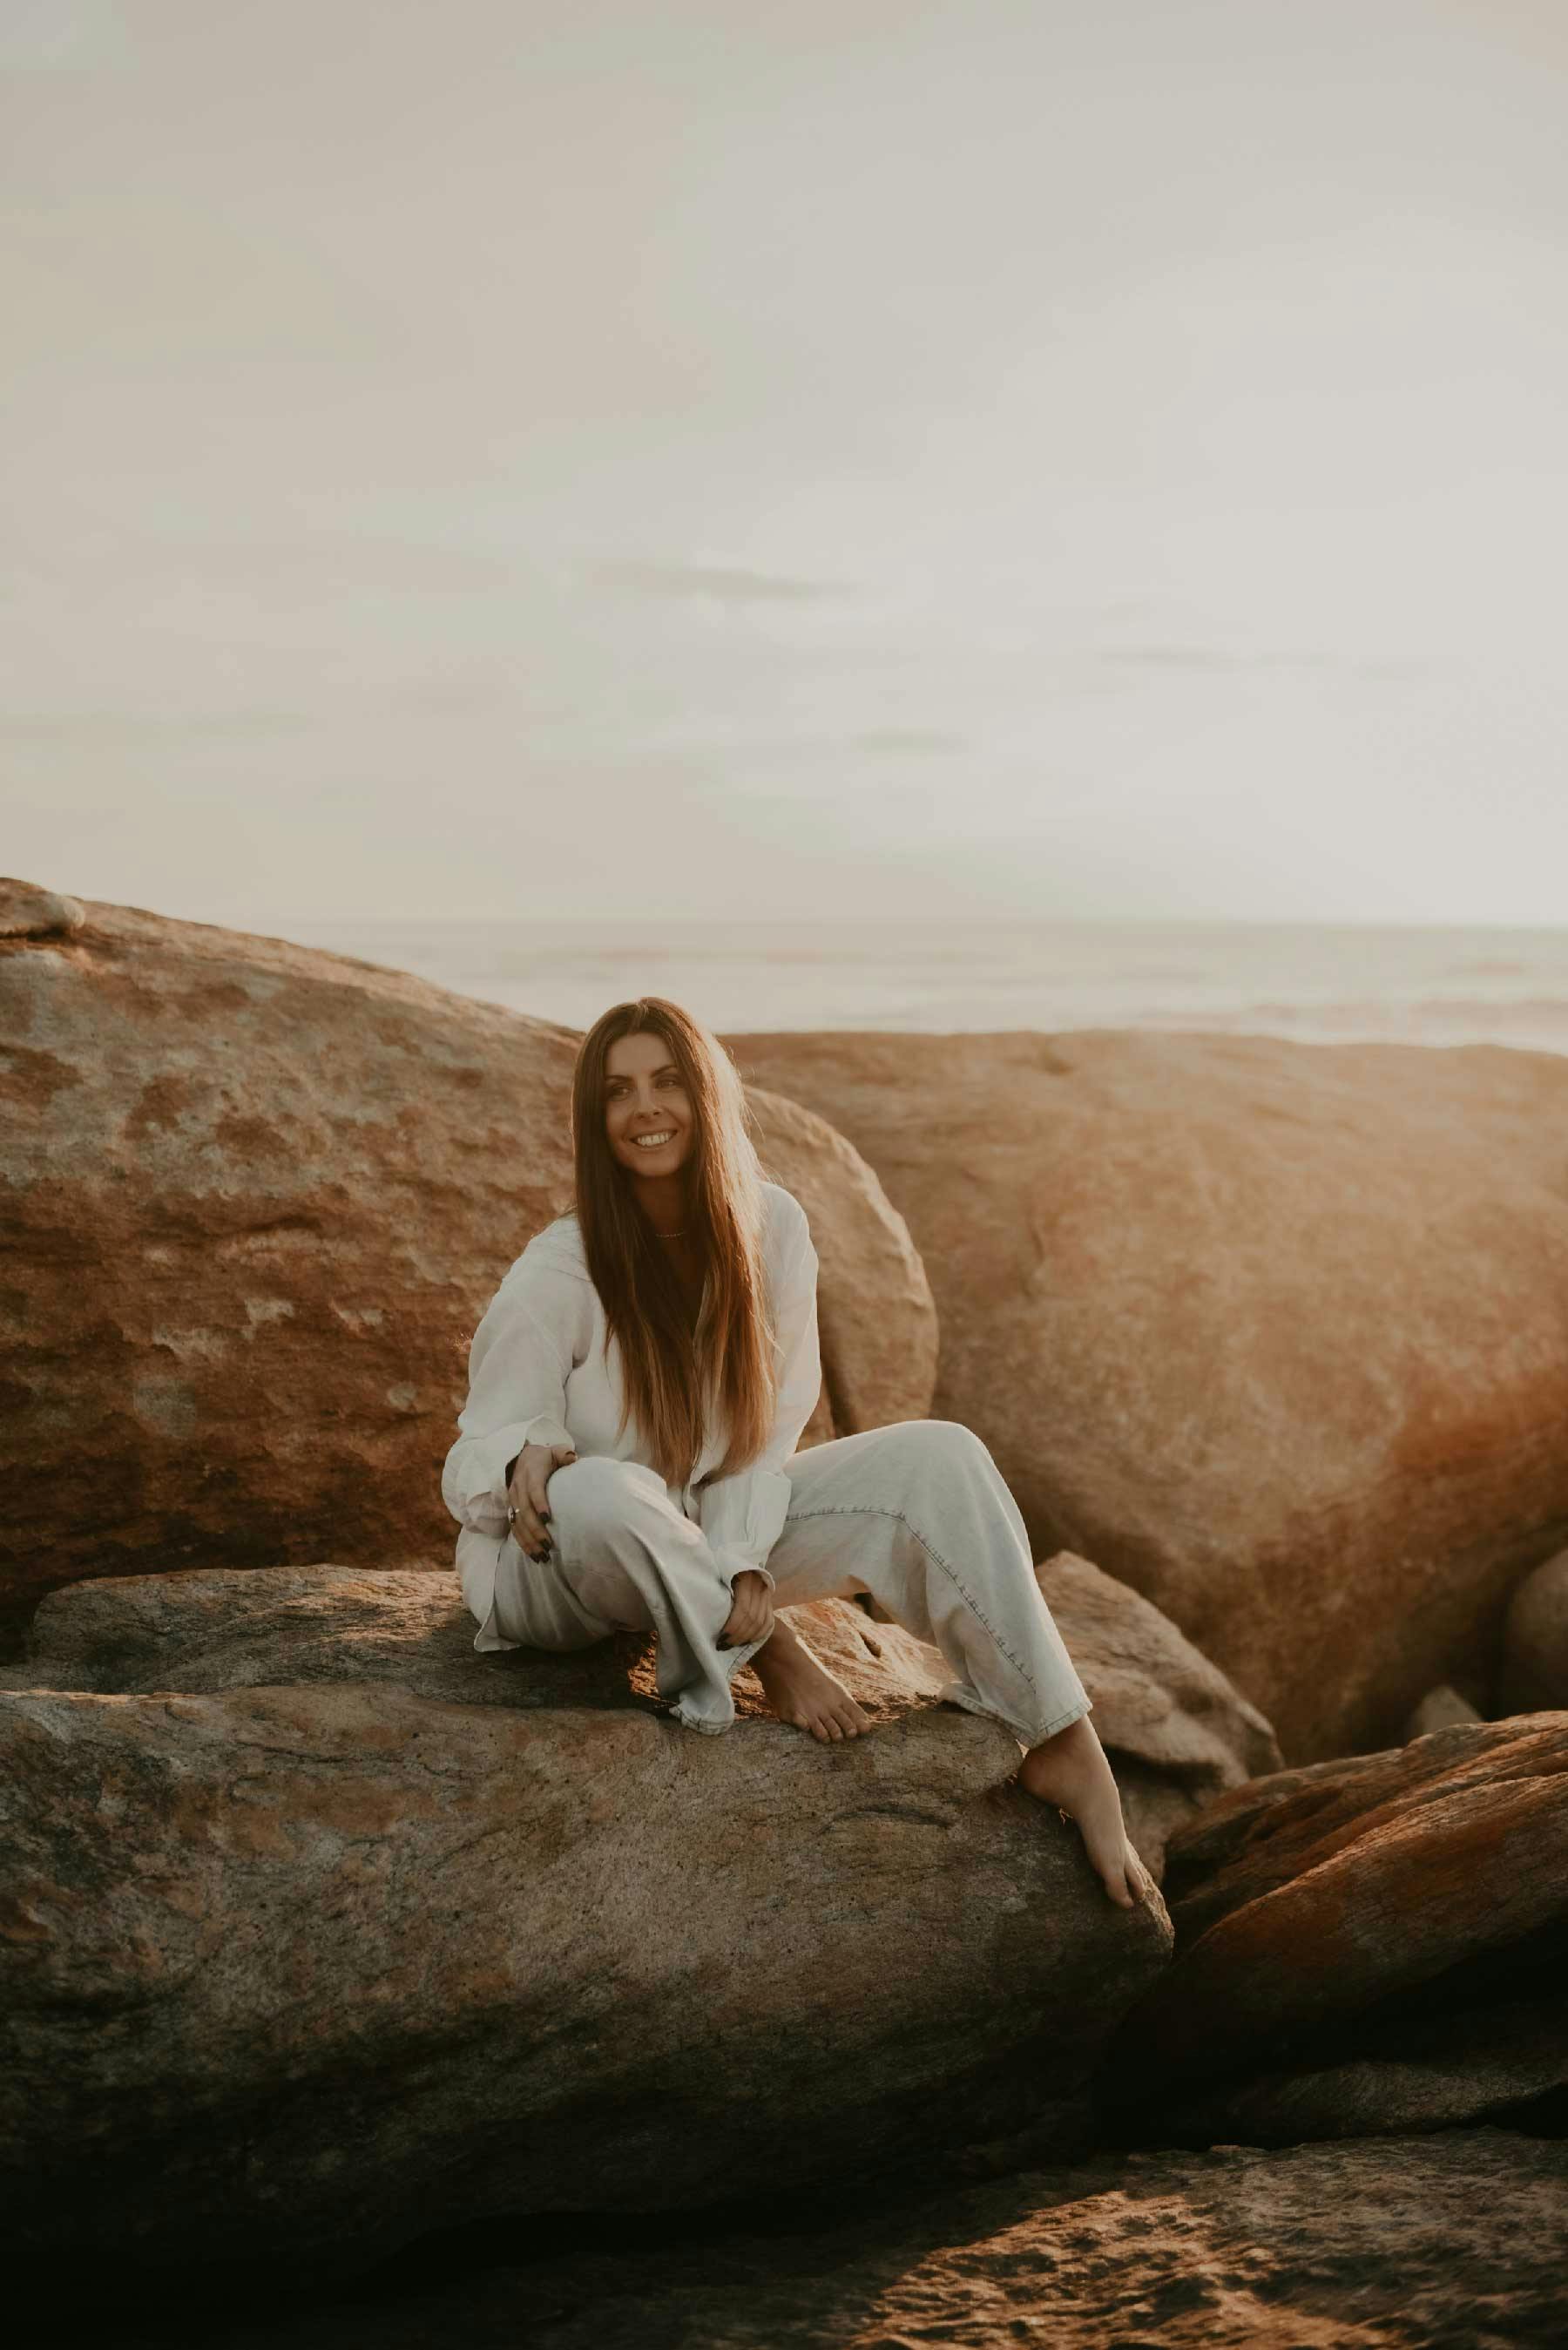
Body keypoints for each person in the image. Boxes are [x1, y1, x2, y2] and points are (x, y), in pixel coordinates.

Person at [443, 997, 1152, 1909]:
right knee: (608, 1490)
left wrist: (741, 1561)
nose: (644, 1108)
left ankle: (1066, 1746)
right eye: (618, 1091)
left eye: (667, 1082)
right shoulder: (563, 1263)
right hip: (567, 1566)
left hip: (697, 1532)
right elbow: (474, 1452)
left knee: (940, 1456)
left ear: (707, 1095)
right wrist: (520, 1462)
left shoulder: (770, 1227)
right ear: (595, 1119)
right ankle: (768, 1655)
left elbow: (759, 1441)